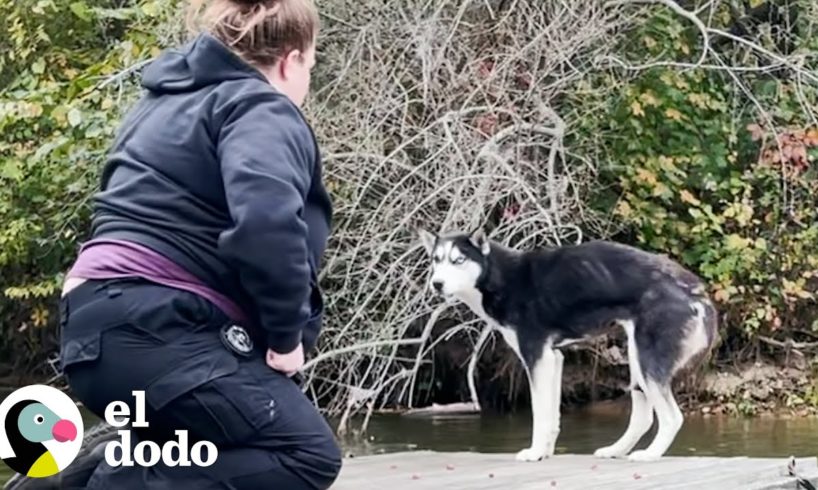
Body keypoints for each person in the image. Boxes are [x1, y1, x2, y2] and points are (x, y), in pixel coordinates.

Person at [7, 0, 342, 488]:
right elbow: (267, 224)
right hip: (160, 325)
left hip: (92, 328)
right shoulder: (260, 105)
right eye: (310, 66)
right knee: (304, 454)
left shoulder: (162, 105)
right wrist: (287, 337)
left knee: (182, 450)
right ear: (292, 60)